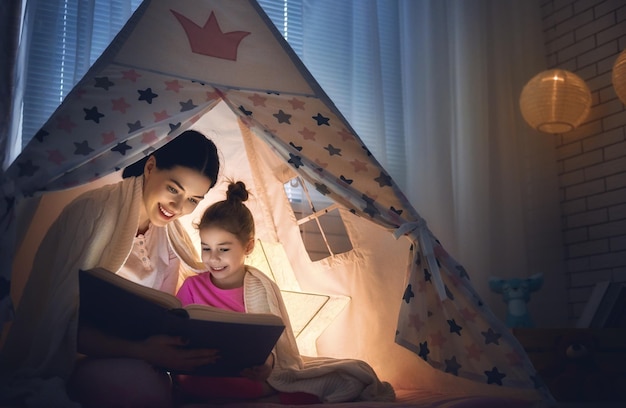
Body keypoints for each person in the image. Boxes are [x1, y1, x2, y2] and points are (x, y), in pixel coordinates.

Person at [0, 130, 221, 408]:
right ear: (150, 167)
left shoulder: (171, 239)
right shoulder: (93, 214)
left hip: (140, 359)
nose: (177, 207)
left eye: (192, 200)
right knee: (141, 391)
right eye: (174, 189)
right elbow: (60, 326)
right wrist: (143, 351)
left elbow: (165, 315)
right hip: (78, 357)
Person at [173, 181, 395, 405]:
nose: (213, 258)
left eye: (224, 249)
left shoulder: (259, 287)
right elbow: (177, 332)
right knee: (187, 380)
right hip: (203, 370)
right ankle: (271, 394)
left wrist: (267, 366)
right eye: (206, 248)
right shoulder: (192, 287)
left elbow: (275, 345)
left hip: (248, 373)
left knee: (349, 377)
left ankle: (269, 390)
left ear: (248, 247)